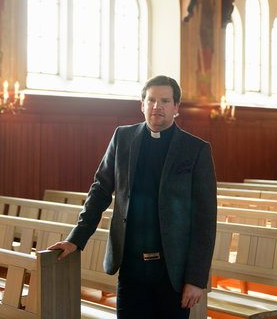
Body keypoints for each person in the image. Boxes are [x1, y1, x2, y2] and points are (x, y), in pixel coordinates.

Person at [48, 75, 217, 318]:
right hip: (131, 267)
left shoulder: (196, 149)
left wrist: (196, 279)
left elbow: (205, 219)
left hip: (173, 272)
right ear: (142, 104)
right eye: (151, 100)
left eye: (165, 101)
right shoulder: (122, 138)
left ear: (177, 107)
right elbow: (100, 191)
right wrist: (76, 239)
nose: (157, 106)